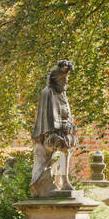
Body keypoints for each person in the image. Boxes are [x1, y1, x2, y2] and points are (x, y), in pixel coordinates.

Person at [31, 60, 77, 196]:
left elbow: (67, 115)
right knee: (47, 159)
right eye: (64, 80)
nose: (66, 83)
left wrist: (70, 126)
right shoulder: (48, 92)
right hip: (47, 136)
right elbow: (48, 118)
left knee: (66, 151)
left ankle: (64, 180)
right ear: (57, 80)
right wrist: (56, 131)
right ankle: (44, 185)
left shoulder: (62, 94)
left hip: (61, 134)